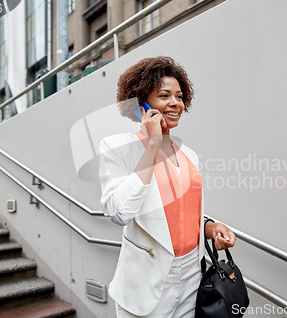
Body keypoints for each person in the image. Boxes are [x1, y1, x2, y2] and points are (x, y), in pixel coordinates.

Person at [99, 56, 236, 318]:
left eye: (179, 96)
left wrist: (210, 228)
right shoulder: (117, 148)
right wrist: (152, 145)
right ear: (141, 103)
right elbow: (120, 212)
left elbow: (183, 211)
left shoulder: (189, 155)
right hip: (145, 284)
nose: (175, 103)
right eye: (164, 95)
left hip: (191, 277)